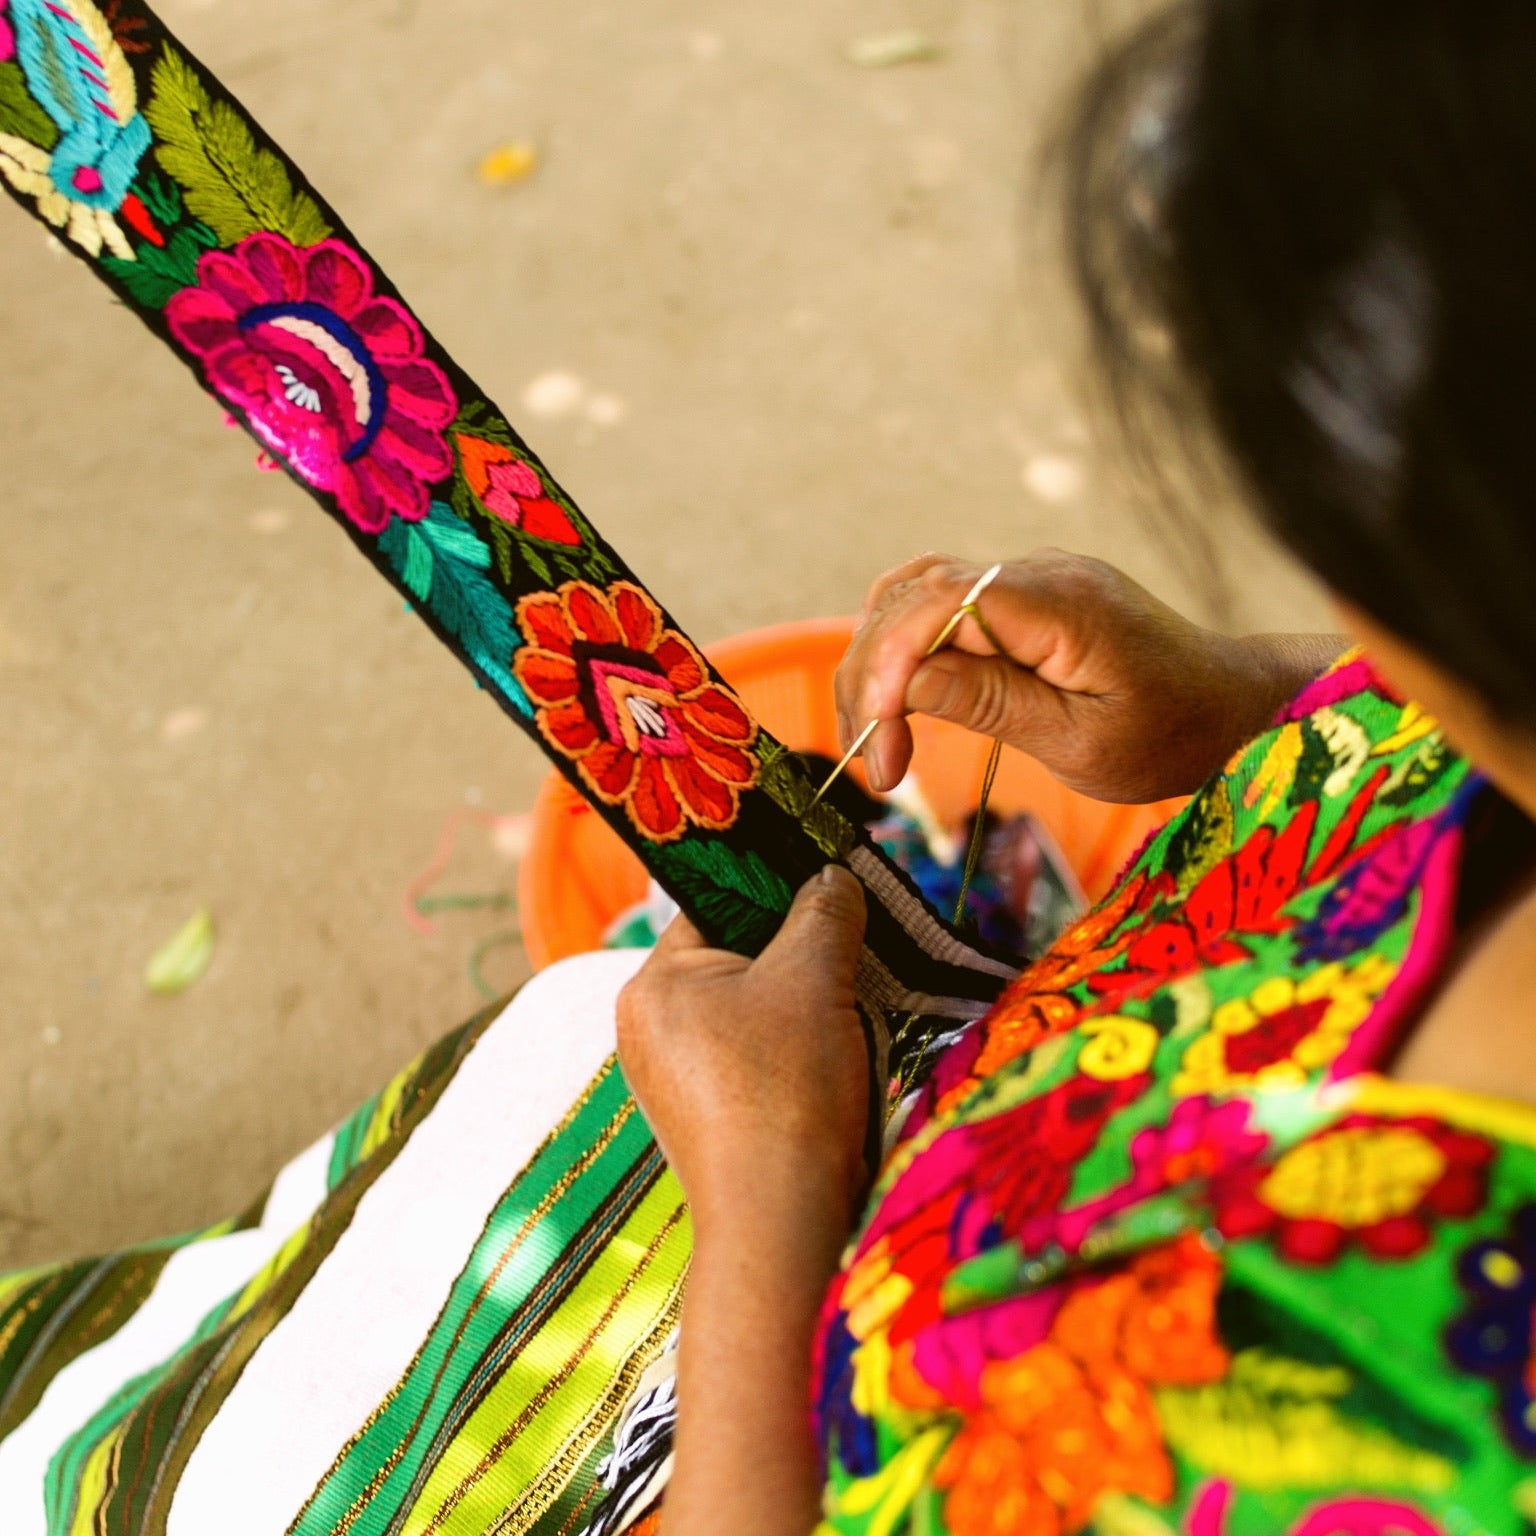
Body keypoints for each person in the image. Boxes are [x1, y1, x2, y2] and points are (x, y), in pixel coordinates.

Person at [5, 2, 1536, 1534]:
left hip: (781, 1364)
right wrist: (1257, 702)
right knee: (448, 1140)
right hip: (980, 1092)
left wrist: (766, 1200)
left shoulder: (1410, 1417)